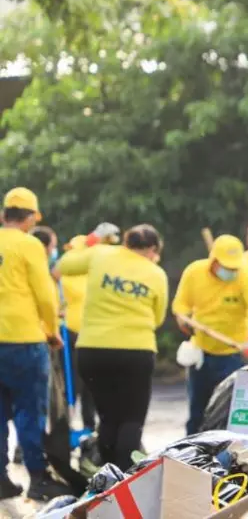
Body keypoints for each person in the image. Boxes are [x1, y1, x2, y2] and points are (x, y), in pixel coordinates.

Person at [55, 224, 167, 471]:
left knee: (108, 417)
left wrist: (91, 240)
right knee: (131, 419)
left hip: (93, 351)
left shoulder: (101, 254)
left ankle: (105, 473)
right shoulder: (155, 273)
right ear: (152, 249)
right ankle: (124, 475)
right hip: (135, 352)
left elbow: (64, 265)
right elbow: (158, 318)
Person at [0, 187, 69, 501]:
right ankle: (38, 478)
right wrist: (52, 330)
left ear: (4, 215)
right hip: (24, 340)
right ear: (29, 218)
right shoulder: (29, 245)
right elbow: (44, 293)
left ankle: (1, 479)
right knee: (30, 411)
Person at [172, 234, 248, 435]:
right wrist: (183, 318)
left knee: (229, 410)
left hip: (233, 355)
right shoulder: (194, 272)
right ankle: (191, 452)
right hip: (201, 352)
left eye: (235, 267)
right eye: (228, 267)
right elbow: (180, 303)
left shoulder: (245, 277)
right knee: (198, 410)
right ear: (214, 261)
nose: (232, 271)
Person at [58, 235, 97, 432]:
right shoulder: (94, 272)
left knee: (71, 384)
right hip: (88, 334)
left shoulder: (65, 274)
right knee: (88, 383)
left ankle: (68, 427)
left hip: (73, 332)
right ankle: (88, 425)